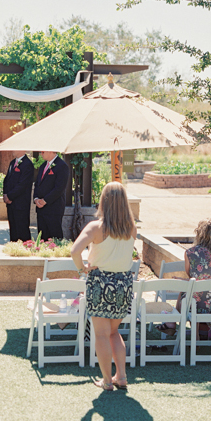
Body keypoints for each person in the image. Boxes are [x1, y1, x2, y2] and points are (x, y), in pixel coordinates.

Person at [71, 182, 137, 391]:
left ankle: (107, 379)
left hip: (100, 283)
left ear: (103, 201)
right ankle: (122, 376)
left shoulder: (96, 227)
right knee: (114, 332)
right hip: (123, 284)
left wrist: (83, 268)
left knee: (101, 333)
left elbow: (74, 251)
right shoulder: (131, 228)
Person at [157, 218, 211, 340]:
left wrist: (182, 280)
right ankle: (206, 331)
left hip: (196, 304)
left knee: (187, 292)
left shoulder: (190, 253)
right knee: (191, 292)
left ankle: (173, 323)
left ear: (198, 233)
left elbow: (192, 276)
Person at [33, 150, 69, 241]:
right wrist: (36, 198)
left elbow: (60, 188)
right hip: (41, 208)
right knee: (42, 236)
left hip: (54, 208)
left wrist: (45, 200)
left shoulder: (62, 166)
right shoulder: (42, 166)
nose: (41, 154)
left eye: (43, 152)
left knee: (54, 236)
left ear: (50, 151)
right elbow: (37, 184)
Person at [3, 150, 33, 242]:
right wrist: (5, 194)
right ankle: (14, 247)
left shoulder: (27, 164)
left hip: (20, 203)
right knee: (13, 229)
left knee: (22, 229)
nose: (12, 150)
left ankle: (25, 250)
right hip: (10, 203)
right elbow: (7, 180)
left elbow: (22, 184)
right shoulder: (13, 162)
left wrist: (10, 196)